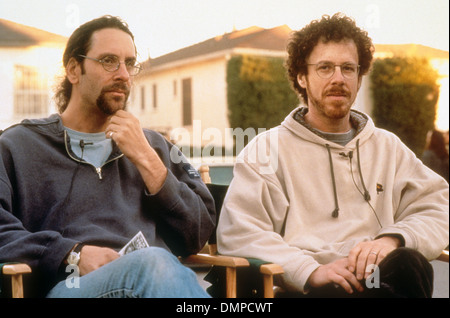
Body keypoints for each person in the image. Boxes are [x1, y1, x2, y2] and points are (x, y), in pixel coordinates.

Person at [216, 13, 449, 298]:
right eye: (325, 67)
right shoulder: (266, 151)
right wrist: (310, 270)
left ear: (359, 78)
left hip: (377, 277)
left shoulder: (388, 147)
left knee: (409, 263)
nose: (338, 79)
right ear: (302, 77)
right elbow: (240, 232)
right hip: (309, 287)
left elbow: (439, 206)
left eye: (348, 68)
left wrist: (393, 239)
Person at [0, 15, 215, 298]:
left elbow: (197, 235)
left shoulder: (153, 146)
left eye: (129, 63)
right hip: (70, 284)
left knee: (154, 265)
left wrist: (148, 161)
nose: (124, 75)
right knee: (153, 264)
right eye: (108, 60)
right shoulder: (18, 145)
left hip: (151, 283)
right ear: (74, 70)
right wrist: (70, 253)